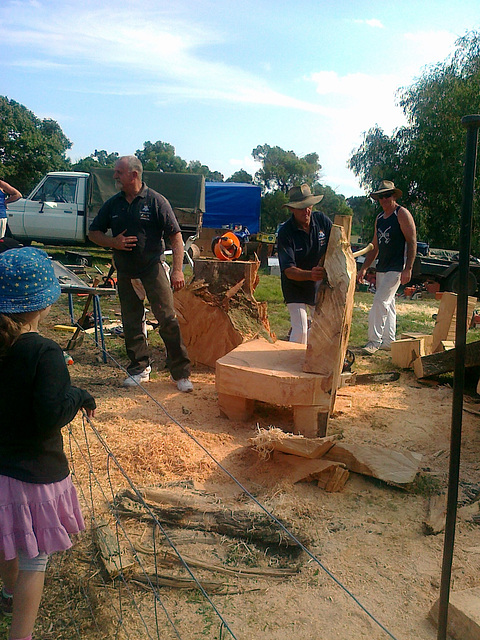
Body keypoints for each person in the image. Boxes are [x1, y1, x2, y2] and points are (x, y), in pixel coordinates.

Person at [0, 247, 96, 640]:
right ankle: (21, 634)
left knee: (7, 537)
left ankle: (6, 593)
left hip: (1, 468)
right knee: (34, 561)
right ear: (45, 301)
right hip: (35, 474)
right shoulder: (44, 350)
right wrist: (80, 396)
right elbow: (50, 414)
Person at [88, 155, 193, 392]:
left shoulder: (156, 201)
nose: (115, 176)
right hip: (125, 272)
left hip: (152, 268)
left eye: (119, 172)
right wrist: (113, 242)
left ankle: (181, 374)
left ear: (134, 175)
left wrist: (177, 270)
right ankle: (139, 368)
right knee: (131, 321)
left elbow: (176, 237)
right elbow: (93, 233)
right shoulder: (113, 204)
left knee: (167, 319)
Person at [356, 179, 417, 354]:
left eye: (387, 195)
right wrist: (365, 268)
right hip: (383, 266)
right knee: (388, 305)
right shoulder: (380, 219)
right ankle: (388, 341)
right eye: (381, 197)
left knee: (379, 301)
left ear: (393, 196)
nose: (384, 199)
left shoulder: (402, 214)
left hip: (397, 267)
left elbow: (412, 241)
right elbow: (374, 245)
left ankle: (373, 342)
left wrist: (408, 268)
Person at [277, 184, 332, 343]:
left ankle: (315, 360)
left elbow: (338, 242)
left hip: (317, 286)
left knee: (322, 327)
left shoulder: (322, 221)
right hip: (294, 286)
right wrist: (310, 274)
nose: (306, 211)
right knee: (300, 329)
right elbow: (288, 270)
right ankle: (293, 363)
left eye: (308, 206)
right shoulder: (285, 232)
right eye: (301, 208)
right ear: (292, 209)